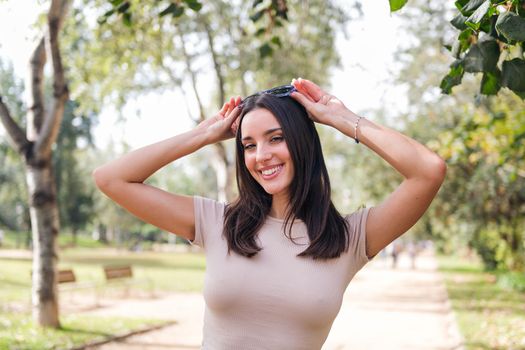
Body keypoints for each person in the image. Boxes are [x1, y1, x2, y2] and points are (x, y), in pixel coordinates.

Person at [93, 78, 446, 349]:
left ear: (302, 142)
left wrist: (340, 117)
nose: (261, 155)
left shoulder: (349, 238)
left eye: (275, 138)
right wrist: (202, 134)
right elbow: (111, 178)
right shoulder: (217, 223)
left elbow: (428, 171)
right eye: (249, 145)